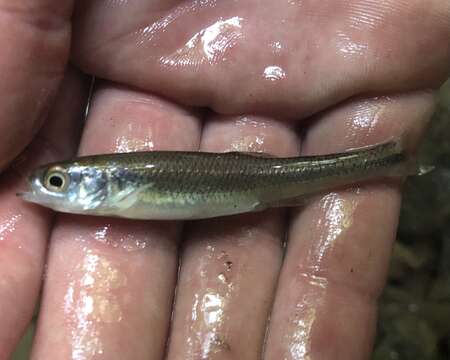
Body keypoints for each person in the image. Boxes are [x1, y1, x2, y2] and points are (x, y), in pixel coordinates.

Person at [0, 1, 449, 359]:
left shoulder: (122, 183)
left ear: (102, 183)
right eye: (55, 182)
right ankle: (385, 160)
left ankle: (385, 159)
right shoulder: (118, 187)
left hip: (258, 182)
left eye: (56, 182)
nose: (46, 190)